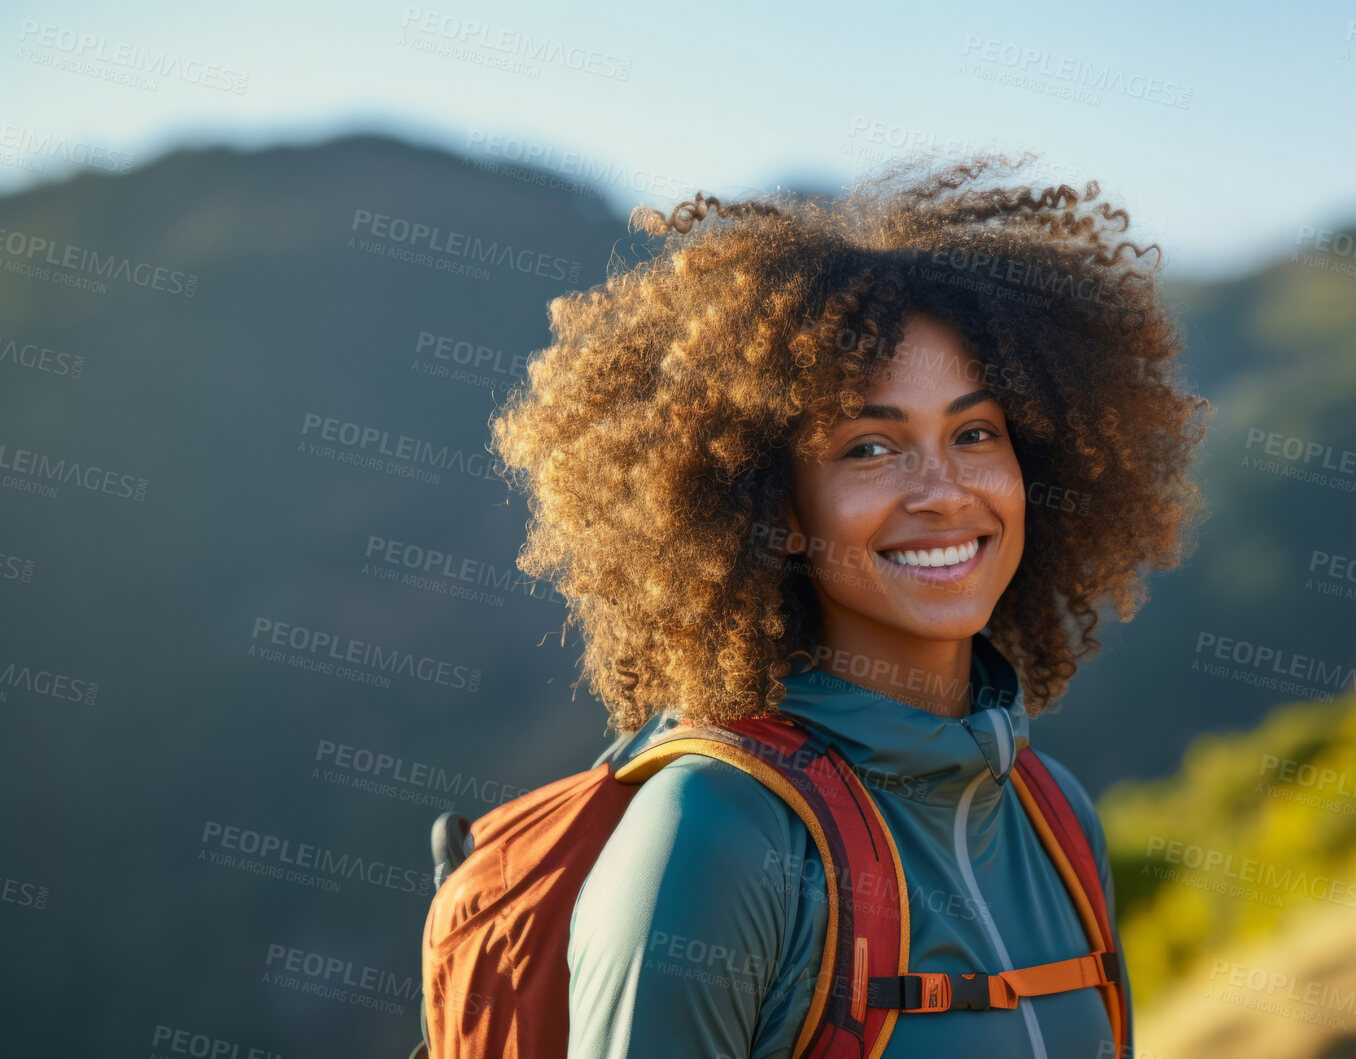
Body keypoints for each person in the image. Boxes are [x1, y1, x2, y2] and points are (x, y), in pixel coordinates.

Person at [486, 153, 1211, 1058]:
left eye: (975, 432)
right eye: (870, 447)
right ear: (777, 509)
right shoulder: (713, 832)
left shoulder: (1052, 813)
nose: (943, 491)